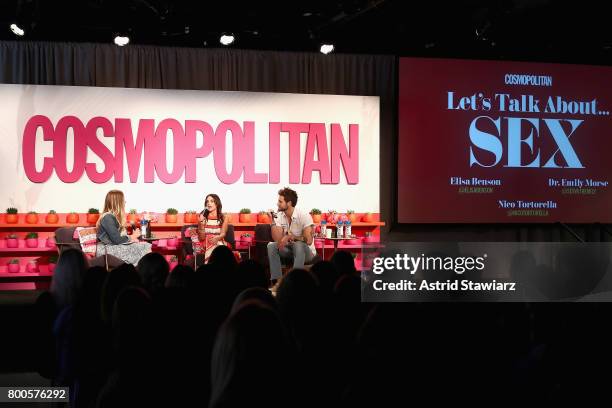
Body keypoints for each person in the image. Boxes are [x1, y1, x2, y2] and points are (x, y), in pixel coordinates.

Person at [267, 187, 316, 284]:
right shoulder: (280, 216)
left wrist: (292, 237)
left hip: (307, 253)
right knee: (271, 246)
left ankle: (295, 283)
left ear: (289, 203)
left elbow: (309, 240)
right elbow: (277, 239)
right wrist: (272, 221)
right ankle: (279, 283)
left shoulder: (304, 216)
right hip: (290, 251)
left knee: (298, 245)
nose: (277, 204)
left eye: (280, 202)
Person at [96, 190, 151, 266]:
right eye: (123, 200)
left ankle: (143, 273)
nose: (125, 202)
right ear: (117, 203)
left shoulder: (112, 217)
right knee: (144, 247)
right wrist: (132, 236)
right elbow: (117, 240)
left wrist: (131, 239)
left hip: (112, 246)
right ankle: (146, 273)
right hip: (106, 249)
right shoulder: (107, 217)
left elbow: (117, 239)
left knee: (143, 245)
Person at [194, 194, 231, 264]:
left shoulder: (224, 217)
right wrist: (201, 224)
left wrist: (217, 238)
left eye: (212, 201)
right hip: (206, 242)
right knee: (216, 248)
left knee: (221, 248)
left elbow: (223, 233)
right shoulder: (202, 217)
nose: (209, 203)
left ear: (217, 203)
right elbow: (201, 238)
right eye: (207, 201)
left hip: (219, 240)